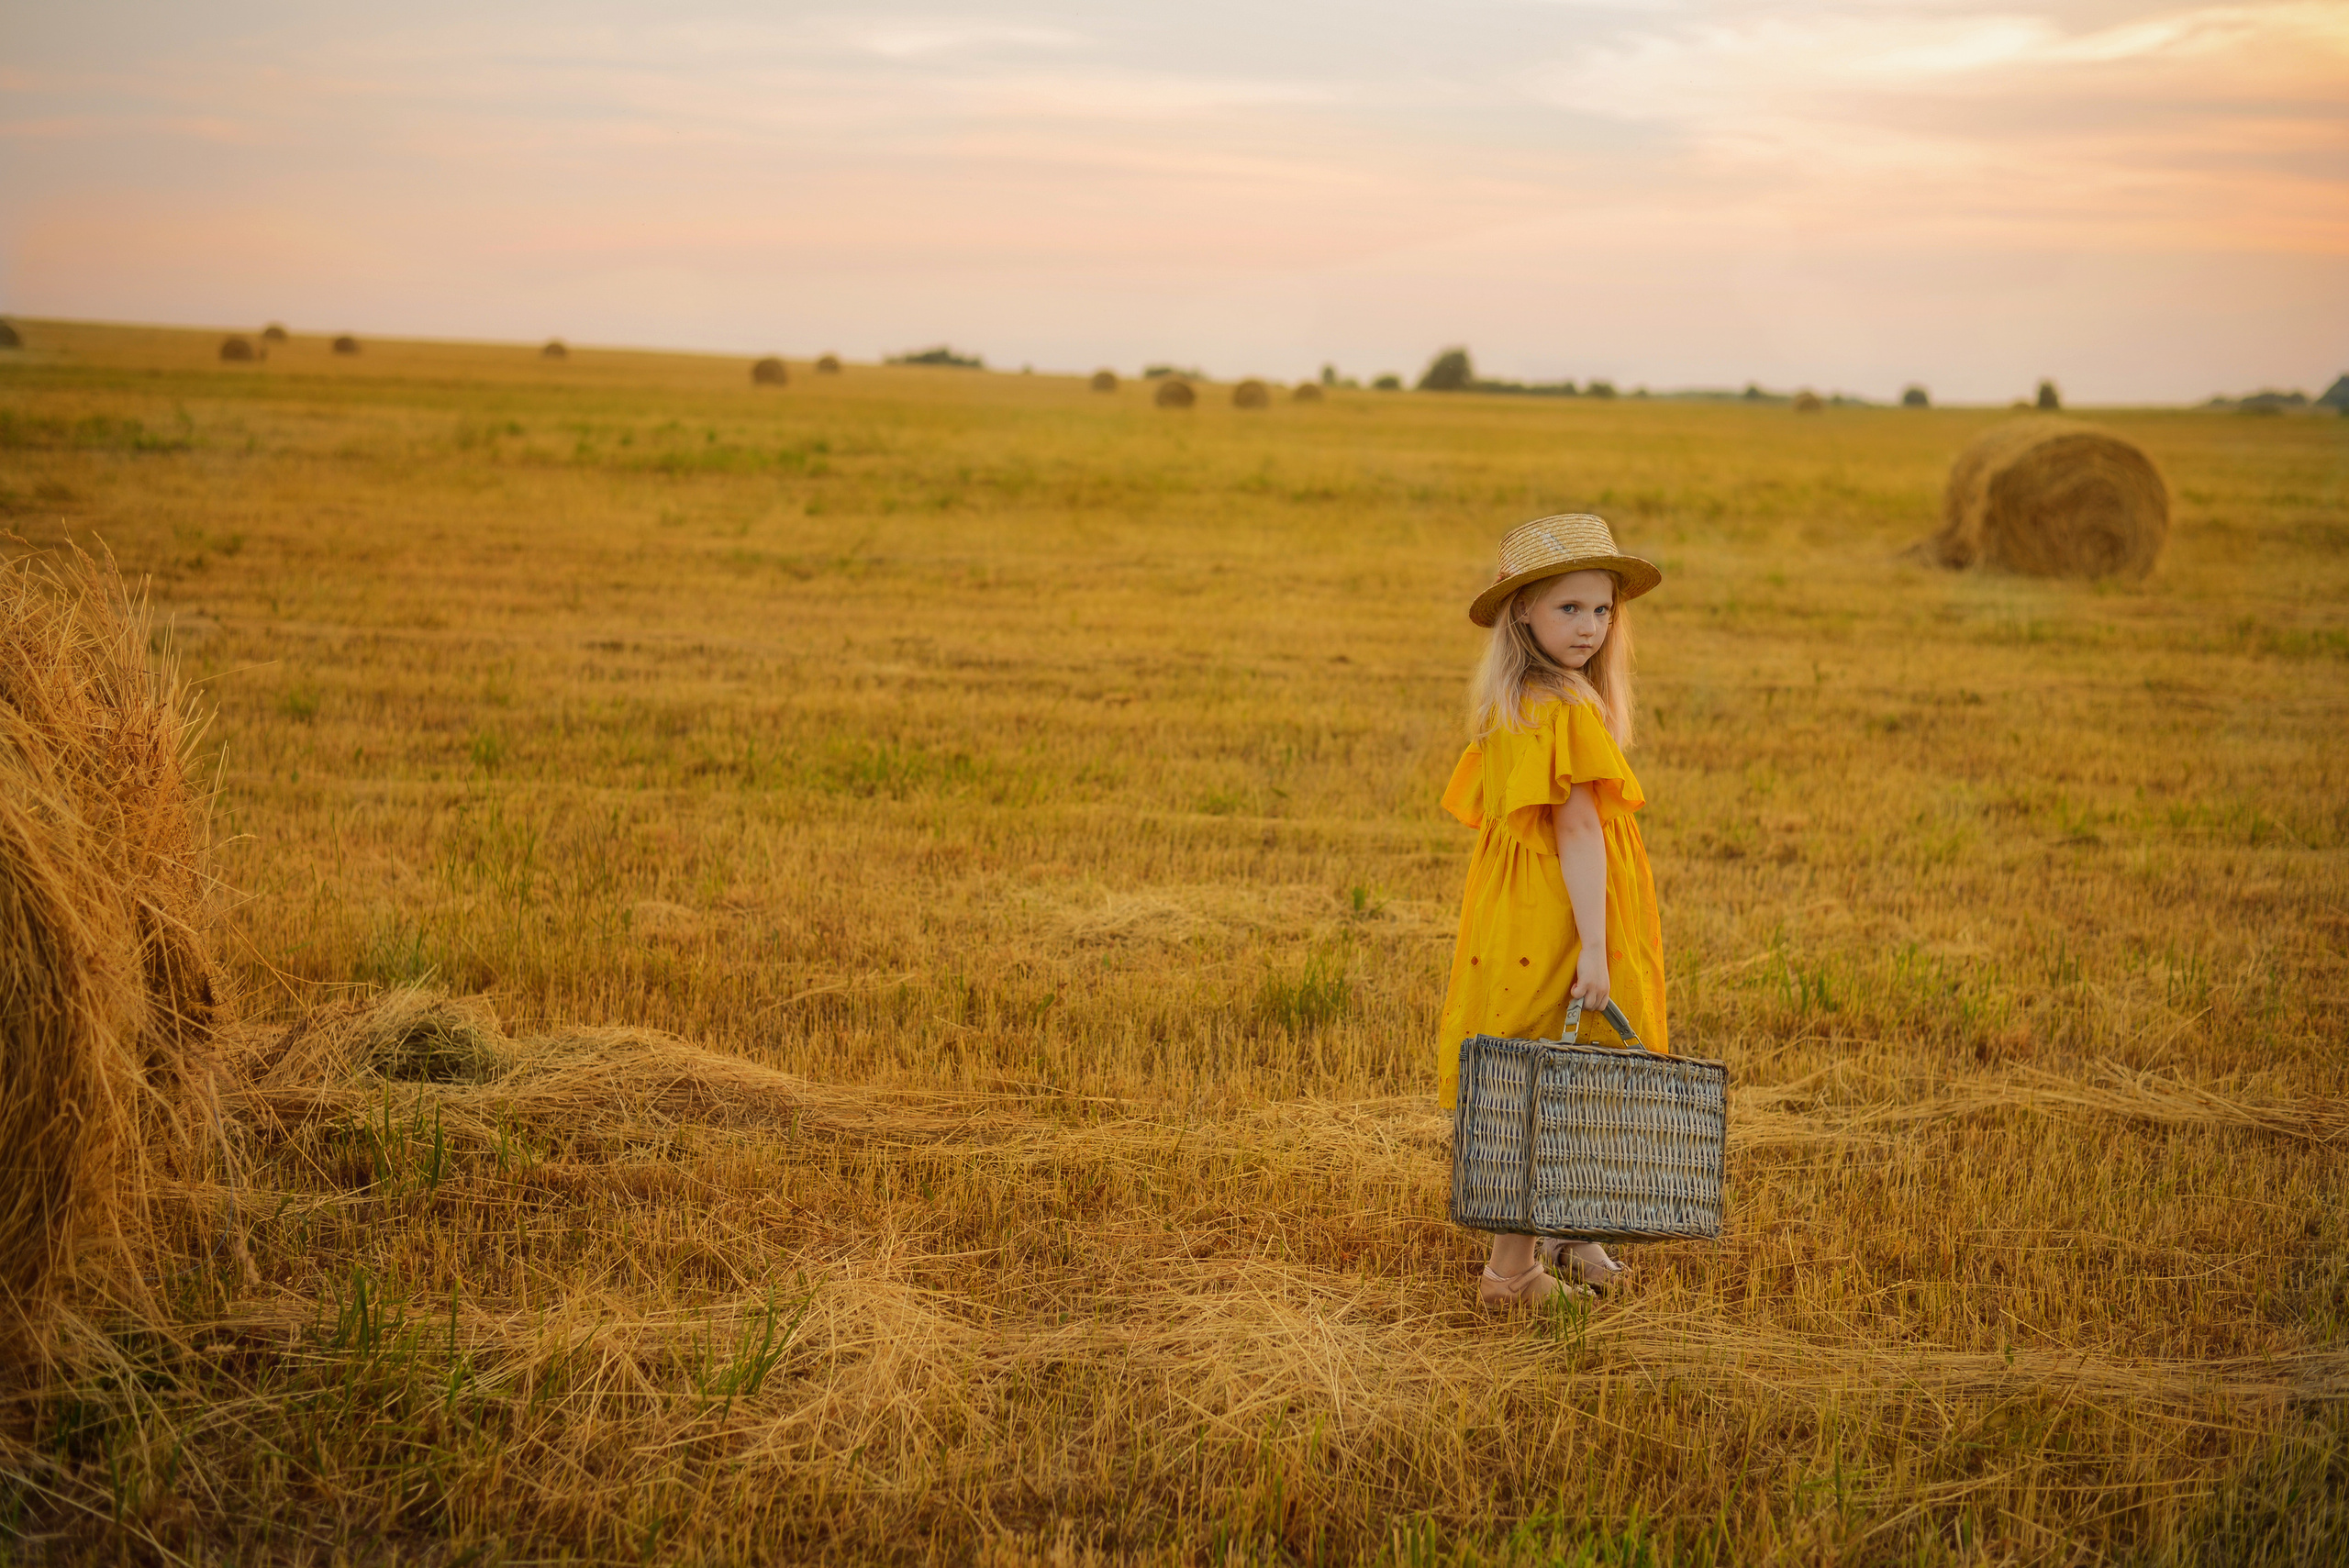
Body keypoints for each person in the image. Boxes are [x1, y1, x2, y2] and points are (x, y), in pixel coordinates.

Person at [1437, 515, 1672, 1309]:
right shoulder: (1562, 710)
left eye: (1602, 610)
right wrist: (1597, 949)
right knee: (1548, 1073)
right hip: (1563, 914)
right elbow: (1574, 831)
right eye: (1569, 609)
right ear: (1525, 613)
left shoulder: (1522, 700)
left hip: (1519, 911)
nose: (1591, 626)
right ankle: (1511, 1272)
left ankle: (1568, 1229)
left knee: (1549, 1065)